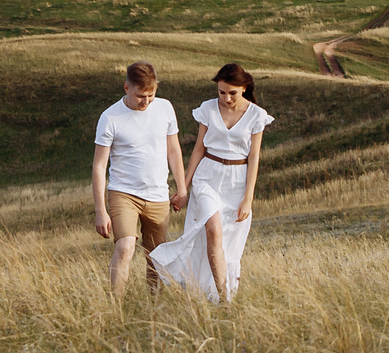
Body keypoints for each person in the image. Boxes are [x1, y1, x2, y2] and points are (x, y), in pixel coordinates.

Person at [151, 62, 271, 302]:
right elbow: (198, 149)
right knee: (213, 230)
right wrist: (183, 188)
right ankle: (222, 294)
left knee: (228, 244)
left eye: (232, 93)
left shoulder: (257, 115)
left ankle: (222, 298)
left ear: (244, 88)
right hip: (208, 177)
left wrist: (248, 198)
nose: (226, 98)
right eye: (221, 92)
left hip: (237, 182)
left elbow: (254, 158)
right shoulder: (207, 108)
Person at [90, 61, 187, 294]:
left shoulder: (165, 108)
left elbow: (174, 151)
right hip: (124, 193)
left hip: (158, 194)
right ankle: (115, 306)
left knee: (156, 256)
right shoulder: (110, 117)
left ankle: (154, 307)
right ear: (126, 88)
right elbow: (99, 166)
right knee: (125, 247)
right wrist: (100, 210)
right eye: (140, 96)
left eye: (151, 95)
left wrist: (182, 188)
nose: (146, 101)